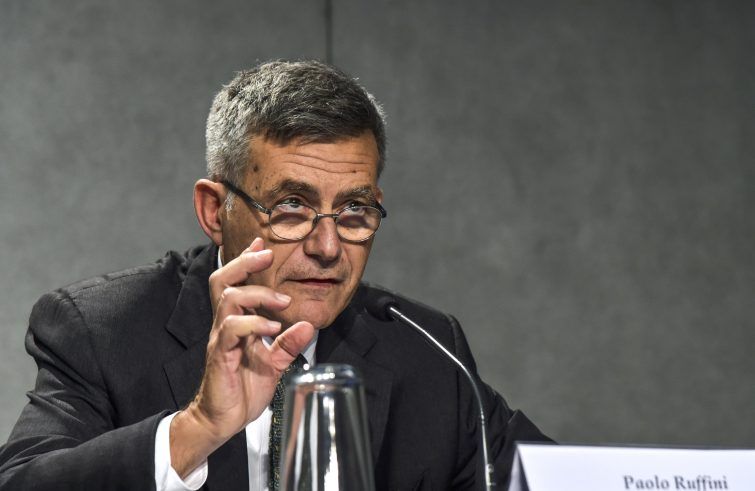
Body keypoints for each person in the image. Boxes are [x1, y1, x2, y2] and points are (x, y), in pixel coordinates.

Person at [0, 60, 550, 490]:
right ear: (215, 211)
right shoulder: (103, 331)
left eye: (354, 210)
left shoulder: (425, 348)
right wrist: (197, 427)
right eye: (291, 206)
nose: (328, 247)